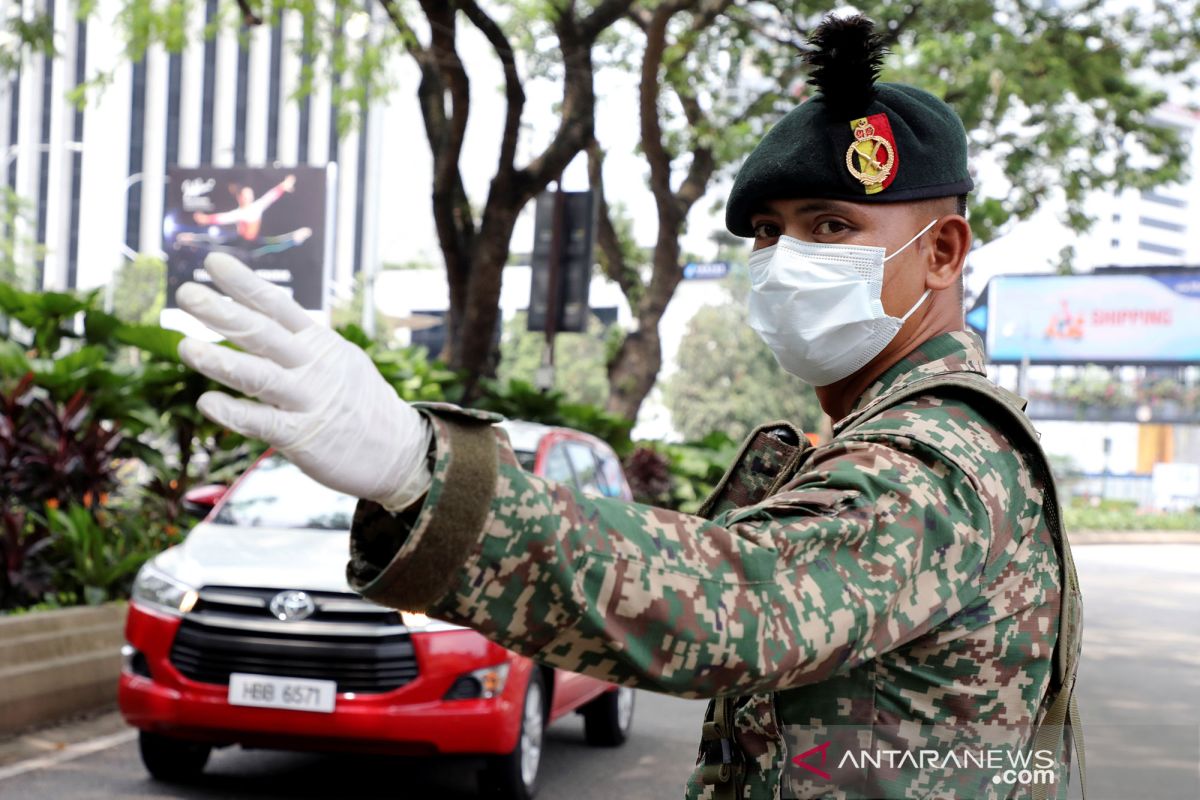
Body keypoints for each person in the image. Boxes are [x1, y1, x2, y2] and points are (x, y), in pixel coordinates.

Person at [175, 15, 1083, 800]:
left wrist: (428, 475)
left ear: (943, 251)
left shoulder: (937, 456)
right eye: (769, 233)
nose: (784, 257)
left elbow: (741, 602)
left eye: (831, 226)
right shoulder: (906, 435)